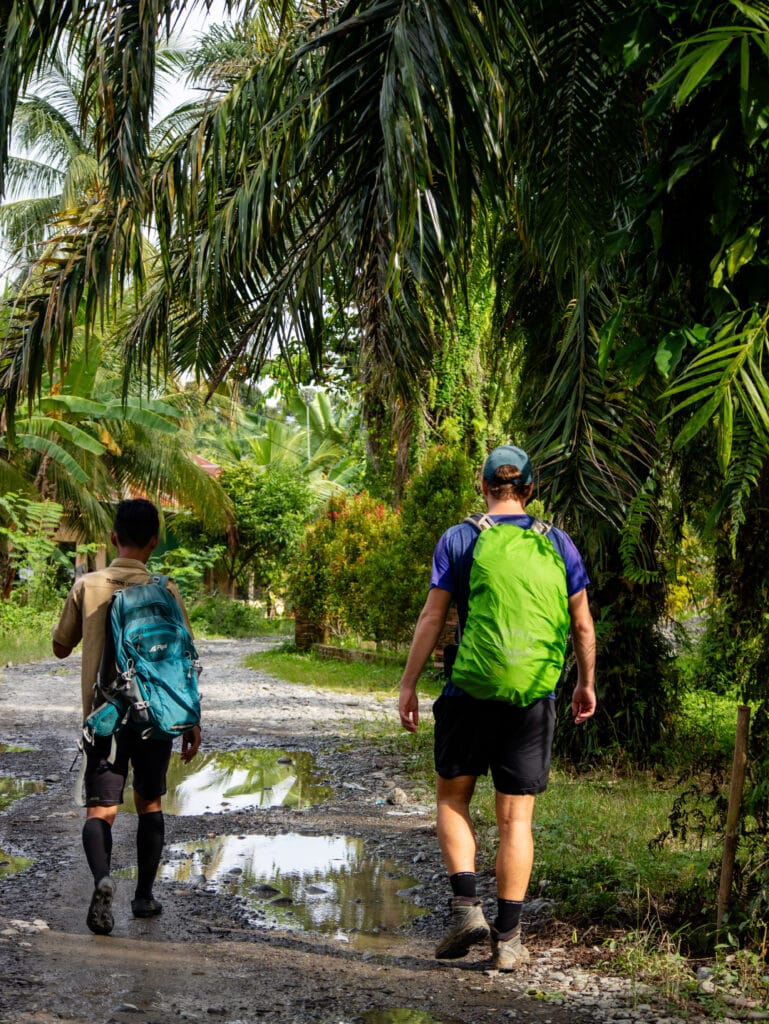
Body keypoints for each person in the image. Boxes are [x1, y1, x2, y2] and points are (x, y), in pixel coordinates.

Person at [398, 445, 596, 970]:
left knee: (451, 799)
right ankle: (507, 940)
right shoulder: (557, 543)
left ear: (483, 486)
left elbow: (432, 617)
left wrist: (408, 685)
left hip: (468, 693)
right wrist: (585, 683)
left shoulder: (461, 538)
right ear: (529, 491)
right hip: (533, 695)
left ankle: (466, 907)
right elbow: (581, 625)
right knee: (516, 821)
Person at [52, 498, 201, 936]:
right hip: (156, 714)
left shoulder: (89, 584)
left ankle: (102, 879)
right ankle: (144, 897)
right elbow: (183, 660)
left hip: (105, 717)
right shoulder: (166, 588)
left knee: (101, 809)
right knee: (150, 802)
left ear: (113, 537)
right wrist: (192, 719)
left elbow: (60, 646)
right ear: (154, 542)